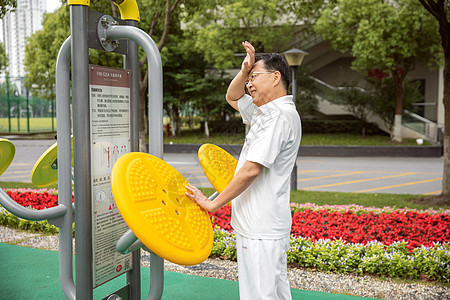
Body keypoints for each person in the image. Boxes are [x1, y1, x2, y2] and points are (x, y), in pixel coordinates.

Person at [185, 41, 301, 300]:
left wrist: (212, 204)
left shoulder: (277, 118)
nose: (249, 84)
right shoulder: (266, 112)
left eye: (254, 77)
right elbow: (232, 97)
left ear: (275, 77)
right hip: (261, 224)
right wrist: (244, 70)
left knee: (260, 295)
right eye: (248, 79)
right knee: (274, 293)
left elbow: (250, 171)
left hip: (261, 227)